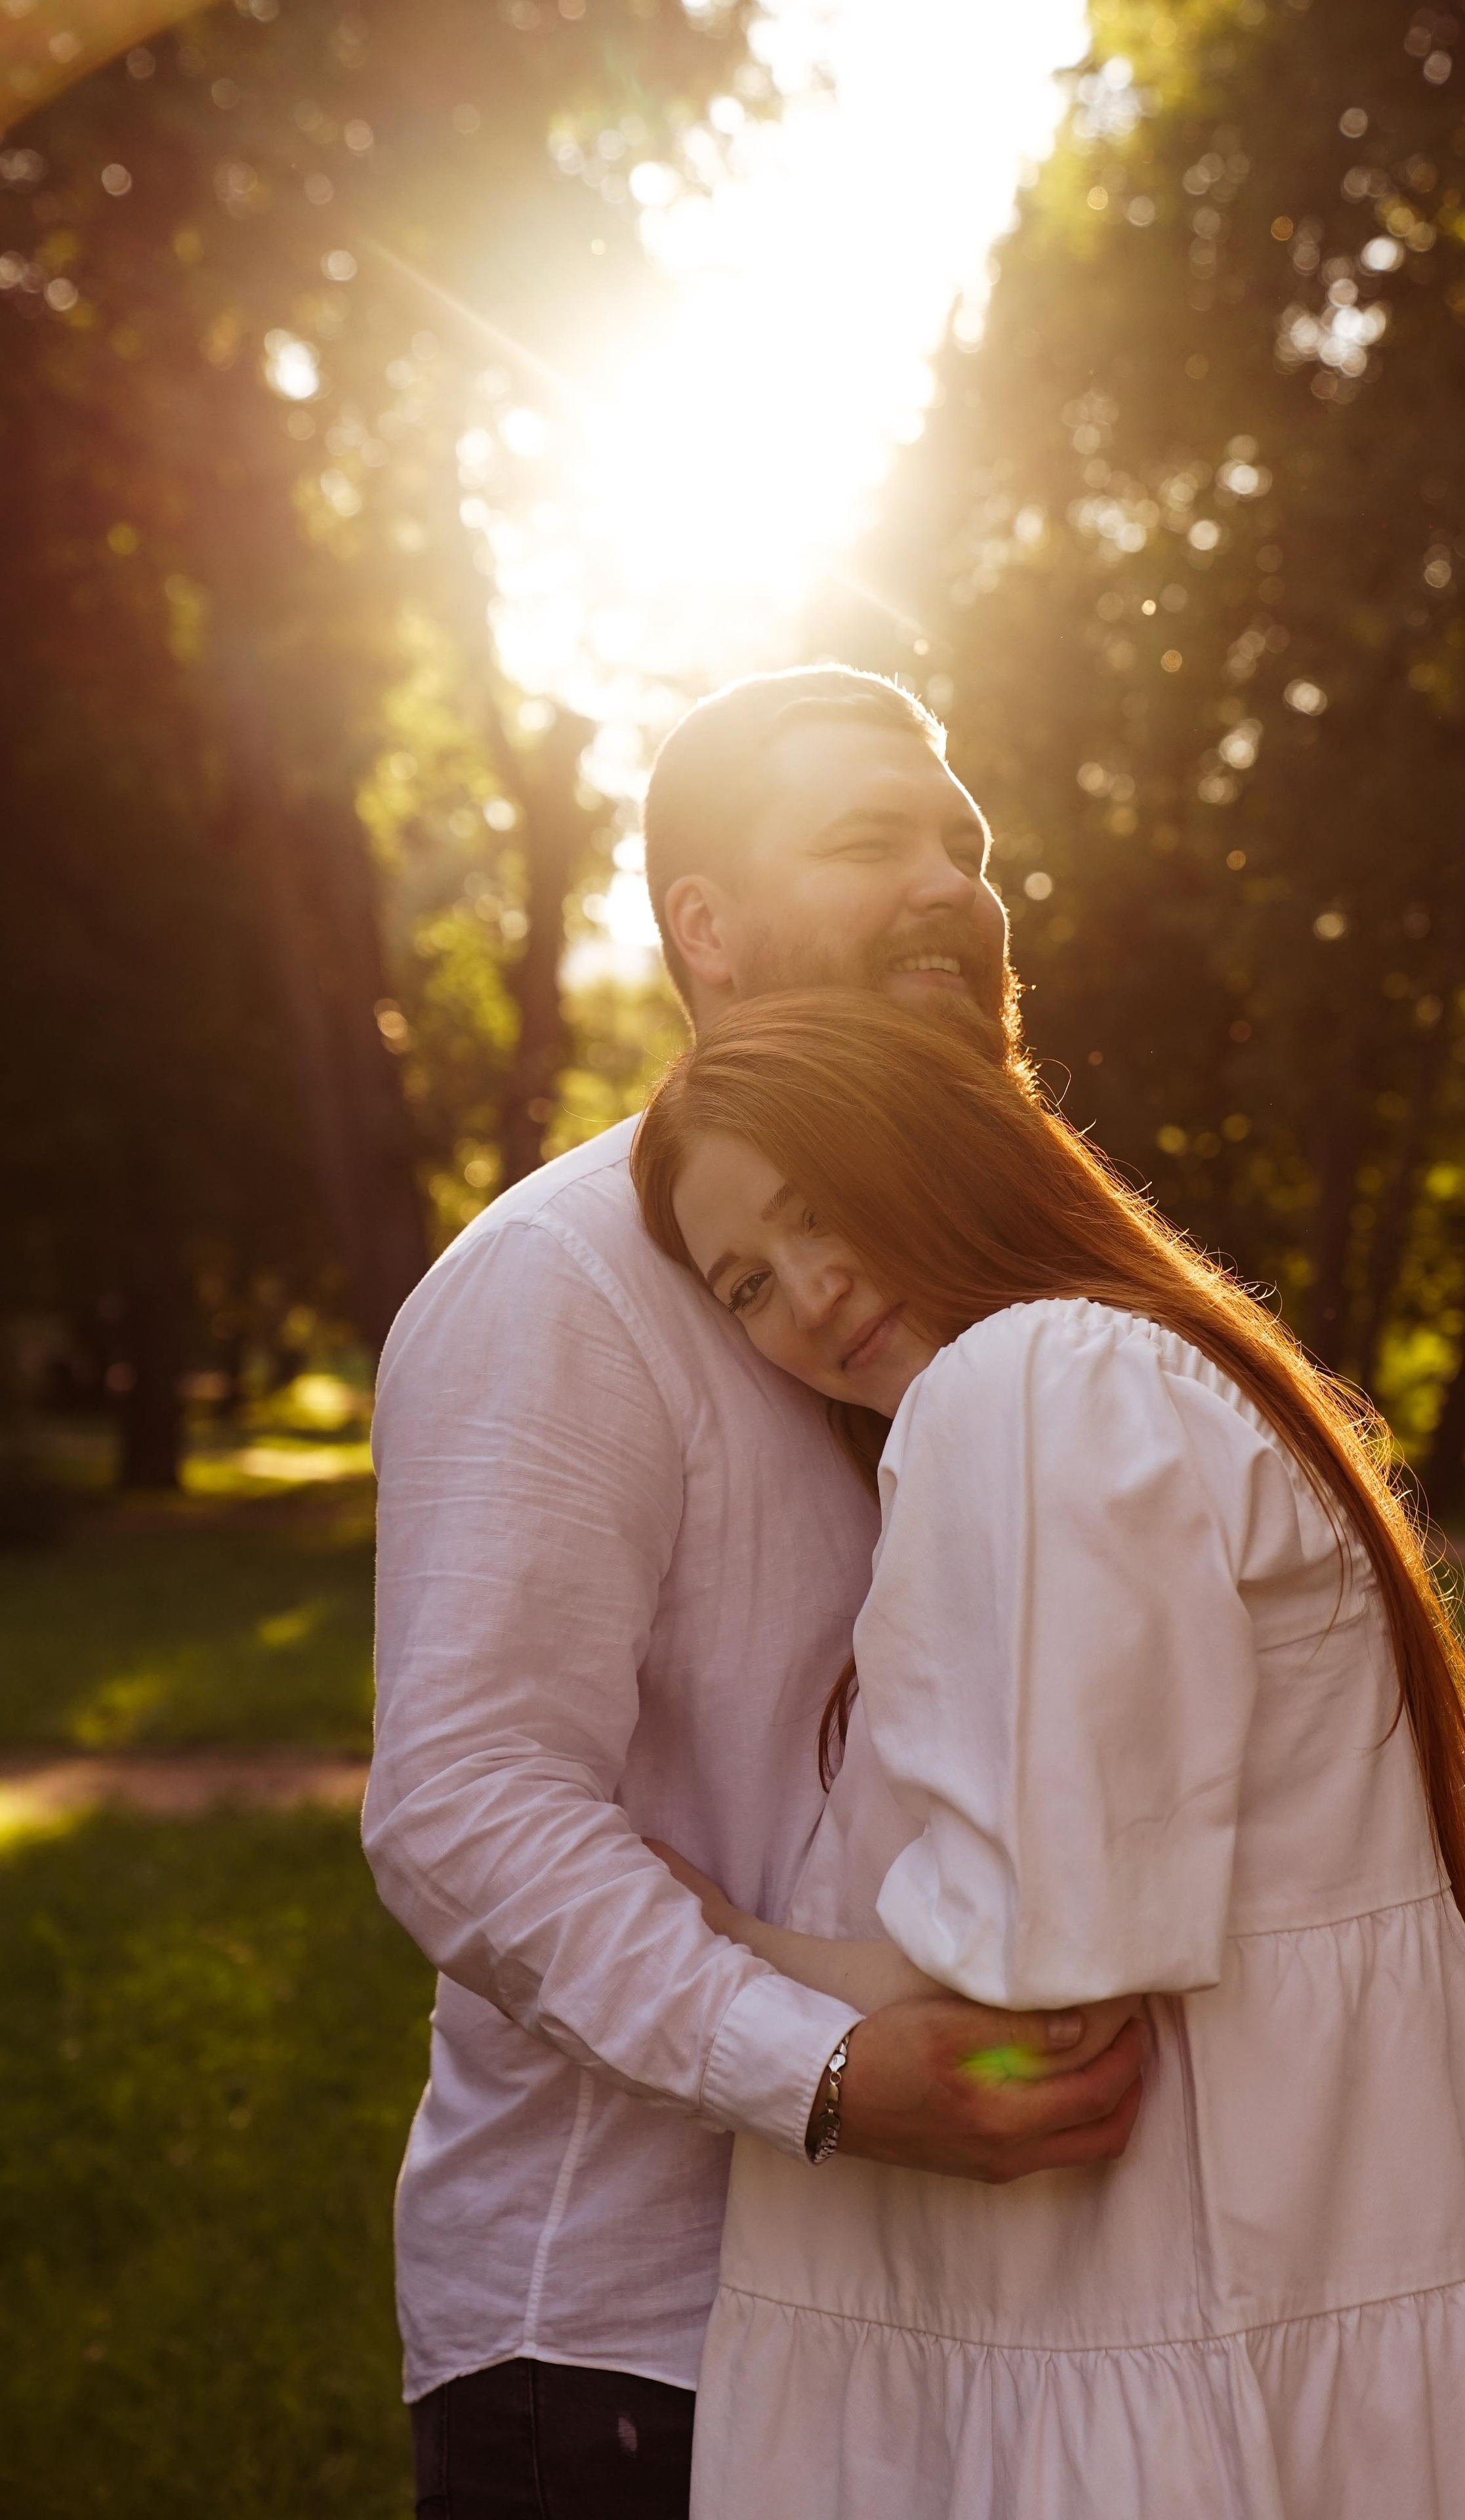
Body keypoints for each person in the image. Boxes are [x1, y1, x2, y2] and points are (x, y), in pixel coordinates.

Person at [630, 989, 1465, 2520]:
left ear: (933, 1150)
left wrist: (713, 1945)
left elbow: (1043, 1988)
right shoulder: (1128, 1374)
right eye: (748, 1281)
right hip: (1233, 2342)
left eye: (820, 1207)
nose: (811, 1297)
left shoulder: (1035, 1387)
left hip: (1160, 2362)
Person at [363, 668, 1146, 2520]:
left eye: (964, 844)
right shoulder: (567, 1280)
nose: (950, 884)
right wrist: (830, 2066)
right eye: (869, 840)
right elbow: (461, 1809)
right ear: (702, 929)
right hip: (626, 2367)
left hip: (923, 2321)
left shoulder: (975, 1311)